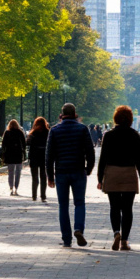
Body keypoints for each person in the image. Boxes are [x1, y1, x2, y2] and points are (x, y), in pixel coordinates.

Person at [97, 106, 140, 251]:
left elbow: (103, 158)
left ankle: (116, 233)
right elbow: (139, 159)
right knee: (127, 209)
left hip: (112, 173)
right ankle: (124, 241)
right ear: (130, 119)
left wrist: (100, 178)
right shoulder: (134, 135)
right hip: (129, 173)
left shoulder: (108, 135)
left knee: (114, 207)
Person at [46, 103, 95, 248]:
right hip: (78, 171)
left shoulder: (54, 130)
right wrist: (88, 169)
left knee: (63, 205)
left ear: (61, 115)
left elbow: (49, 156)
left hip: (61, 172)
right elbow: (90, 152)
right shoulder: (82, 129)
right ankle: (78, 228)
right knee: (79, 203)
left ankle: (67, 239)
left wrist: (50, 176)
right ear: (75, 114)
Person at [27, 117, 50, 202]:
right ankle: (43, 196)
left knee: (35, 177)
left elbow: (28, 143)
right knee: (43, 177)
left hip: (34, 157)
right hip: (43, 157)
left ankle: (34, 195)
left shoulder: (33, 133)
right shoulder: (48, 132)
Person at [2, 119, 27, 196]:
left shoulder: (7, 132)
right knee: (18, 172)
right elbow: (24, 144)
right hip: (18, 154)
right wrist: (24, 153)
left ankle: (11, 187)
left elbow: (3, 144)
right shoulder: (20, 132)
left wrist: (3, 154)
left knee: (11, 172)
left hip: (9, 154)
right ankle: (16, 187)